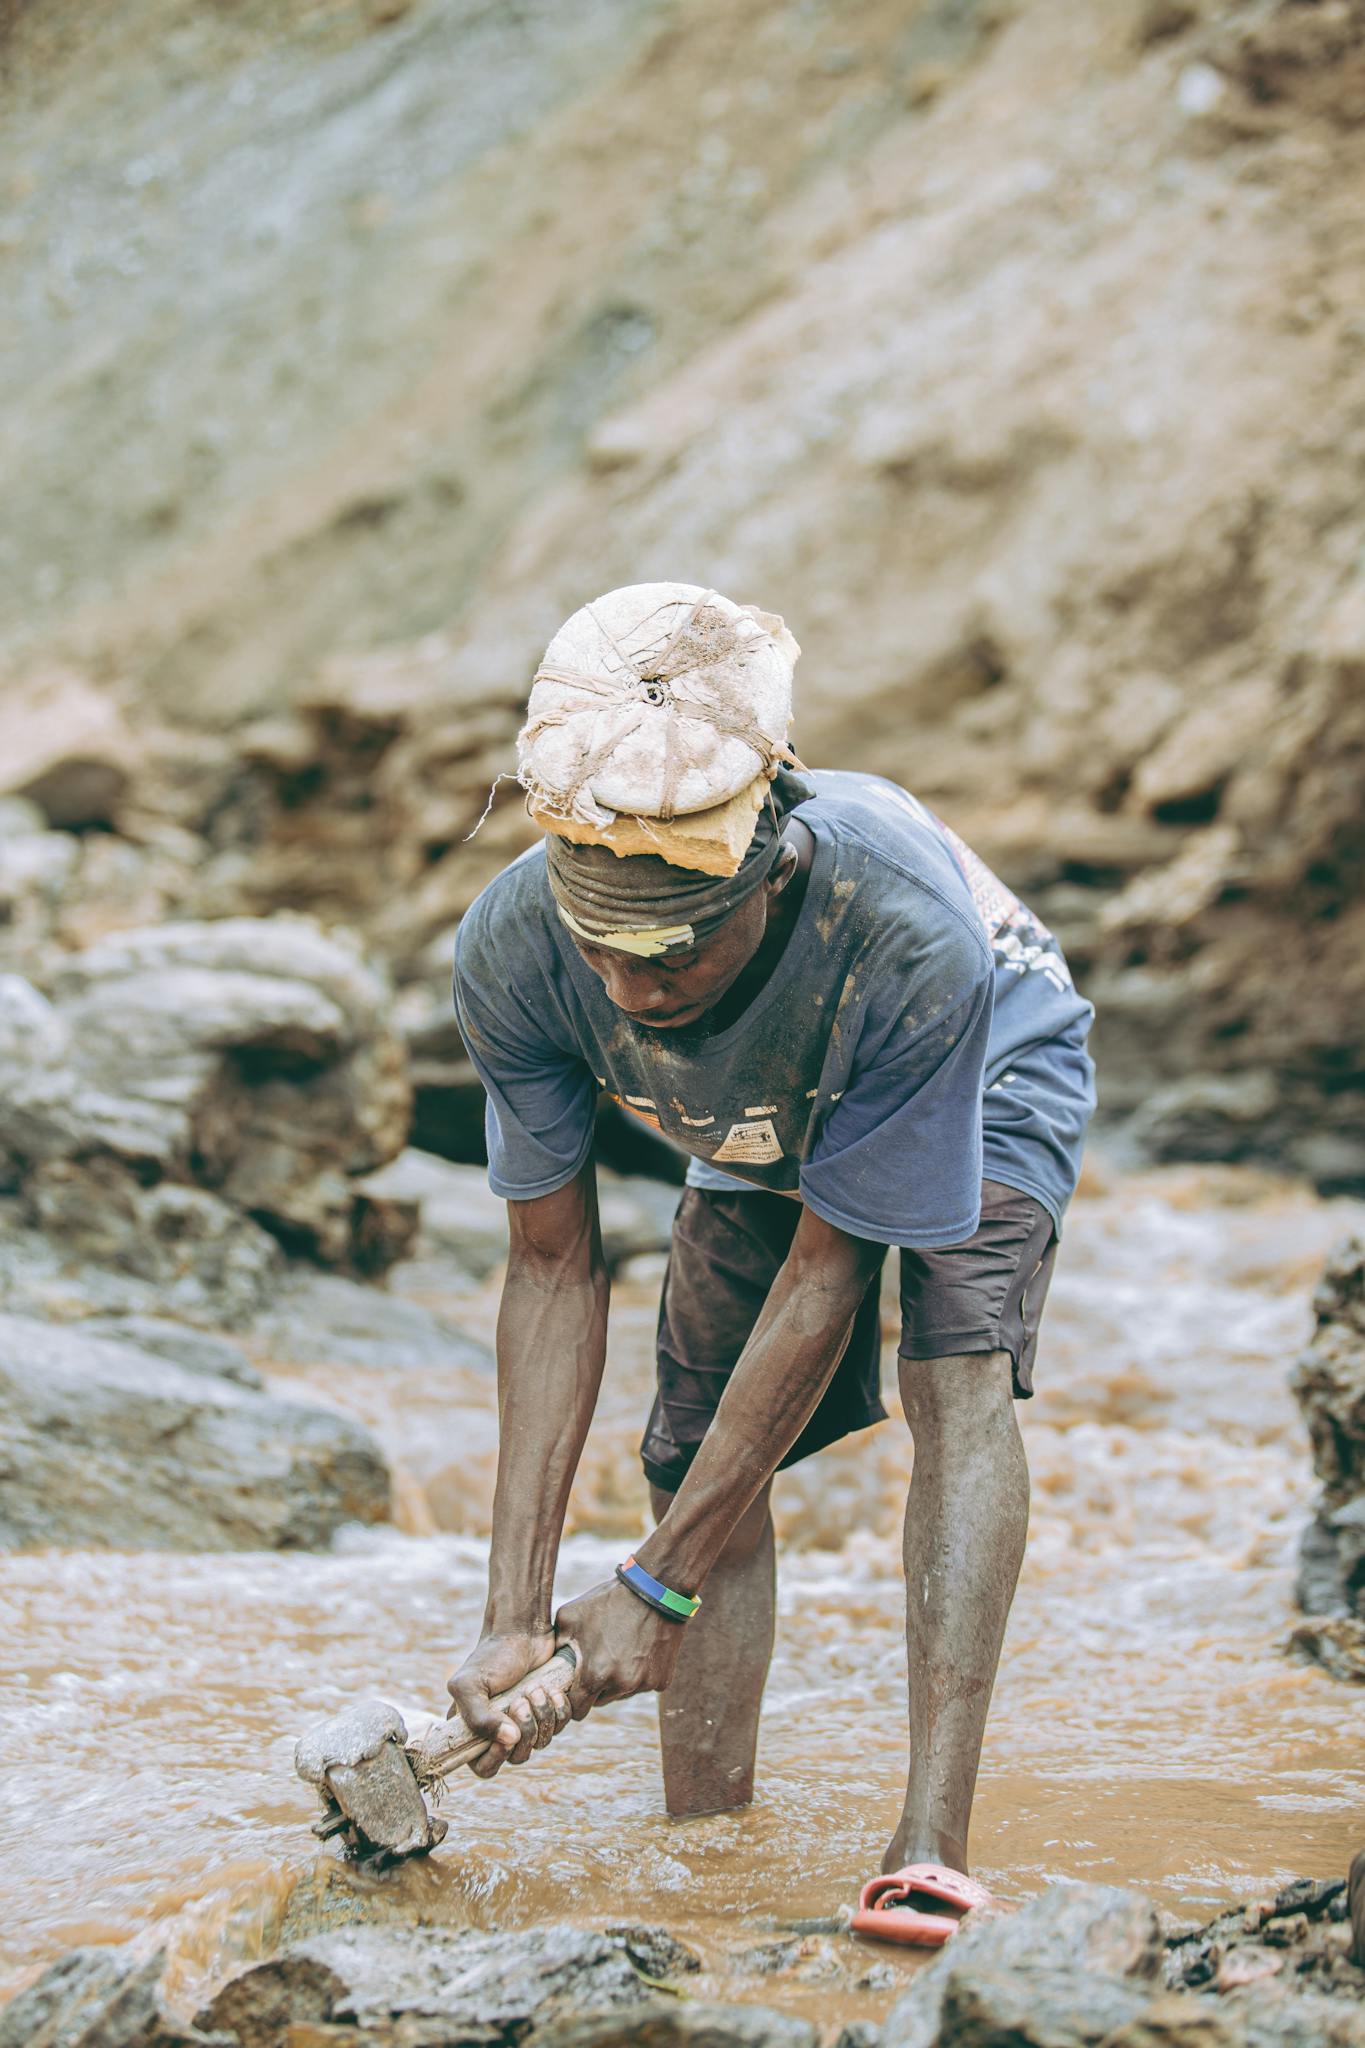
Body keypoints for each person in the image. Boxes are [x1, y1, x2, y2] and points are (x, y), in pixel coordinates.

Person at [446, 594, 1094, 1944]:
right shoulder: (512, 948)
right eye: (602, 948)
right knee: (690, 1445)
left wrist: (654, 1587)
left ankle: (927, 1847)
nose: (632, 993)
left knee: (952, 1369)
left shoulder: (901, 930)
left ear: (771, 878)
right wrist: (513, 1618)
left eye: (675, 949)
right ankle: (707, 1843)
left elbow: (824, 1278)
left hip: (978, 1054)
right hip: (763, 1100)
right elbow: (551, 1271)